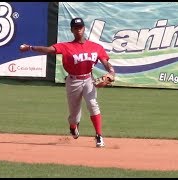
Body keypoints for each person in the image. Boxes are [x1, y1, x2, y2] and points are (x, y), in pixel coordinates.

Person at [19, 17, 115, 148]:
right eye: (76, 28)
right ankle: (73, 126)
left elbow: (105, 62)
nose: (78, 30)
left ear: (84, 28)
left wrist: (111, 72)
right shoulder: (66, 46)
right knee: (74, 115)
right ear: (72, 30)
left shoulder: (95, 47)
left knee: (93, 105)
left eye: (80, 27)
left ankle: (99, 135)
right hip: (73, 81)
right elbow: (48, 50)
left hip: (88, 80)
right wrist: (30, 47)